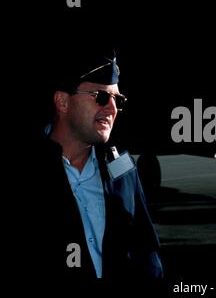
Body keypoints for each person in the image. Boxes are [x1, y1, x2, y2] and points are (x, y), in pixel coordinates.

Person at [20, 39, 163, 281]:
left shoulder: (122, 167)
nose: (112, 108)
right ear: (63, 101)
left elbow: (147, 256)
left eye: (117, 100)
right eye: (100, 97)